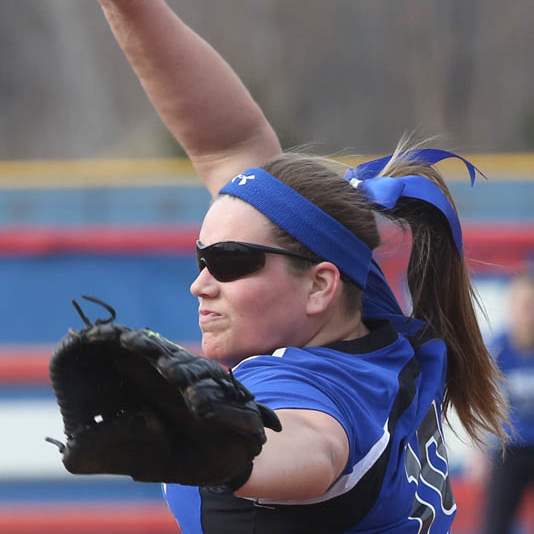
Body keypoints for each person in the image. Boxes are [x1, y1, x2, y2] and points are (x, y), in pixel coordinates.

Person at [96, 2, 508, 532]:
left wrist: (220, 444)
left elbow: (312, 446)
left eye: (229, 262)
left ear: (319, 286)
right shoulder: (364, 307)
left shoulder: (305, 383)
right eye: (203, 258)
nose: (200, 284)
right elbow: (227, 144)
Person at [481, 273, 534, 534]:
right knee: (495, 524)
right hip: (509, 449)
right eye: (523, 306)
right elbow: (480, 402)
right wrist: (478, 452)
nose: (527, 314)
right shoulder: (497, 348)